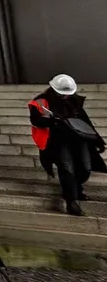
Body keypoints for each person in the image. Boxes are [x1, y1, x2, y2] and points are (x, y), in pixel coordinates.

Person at [28, 75, 106, 216]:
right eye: (61, 93)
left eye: (67, 94)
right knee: (67, 169)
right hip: (57, 141)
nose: (64, 96)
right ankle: (72, 201)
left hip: (78, 139)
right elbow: (36, 120)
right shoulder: (41, 102)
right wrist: (55, 121)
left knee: (86, 168)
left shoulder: (74, 101)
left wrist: (97, 140)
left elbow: (85, 122)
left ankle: (76, 187)